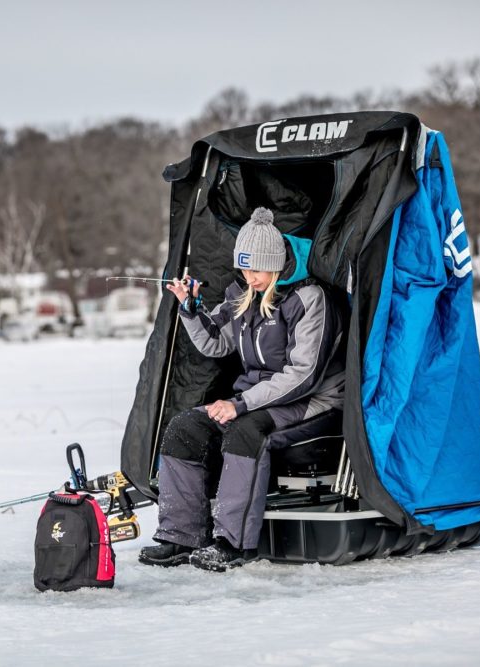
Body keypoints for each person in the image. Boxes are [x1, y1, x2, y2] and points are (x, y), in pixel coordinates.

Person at [138, 207, 346, 572]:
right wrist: (190, 309)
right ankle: (180, 536)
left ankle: (231, 543)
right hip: (256, 398)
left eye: (258, 269)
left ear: (278, 263)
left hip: (312, 402)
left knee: (245, 432)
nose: (251, 277)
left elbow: (304, 375)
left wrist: (241, 404)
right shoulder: (244, 293)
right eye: (245, 268)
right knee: (186, 428)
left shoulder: (309, 298)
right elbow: (216, 342)